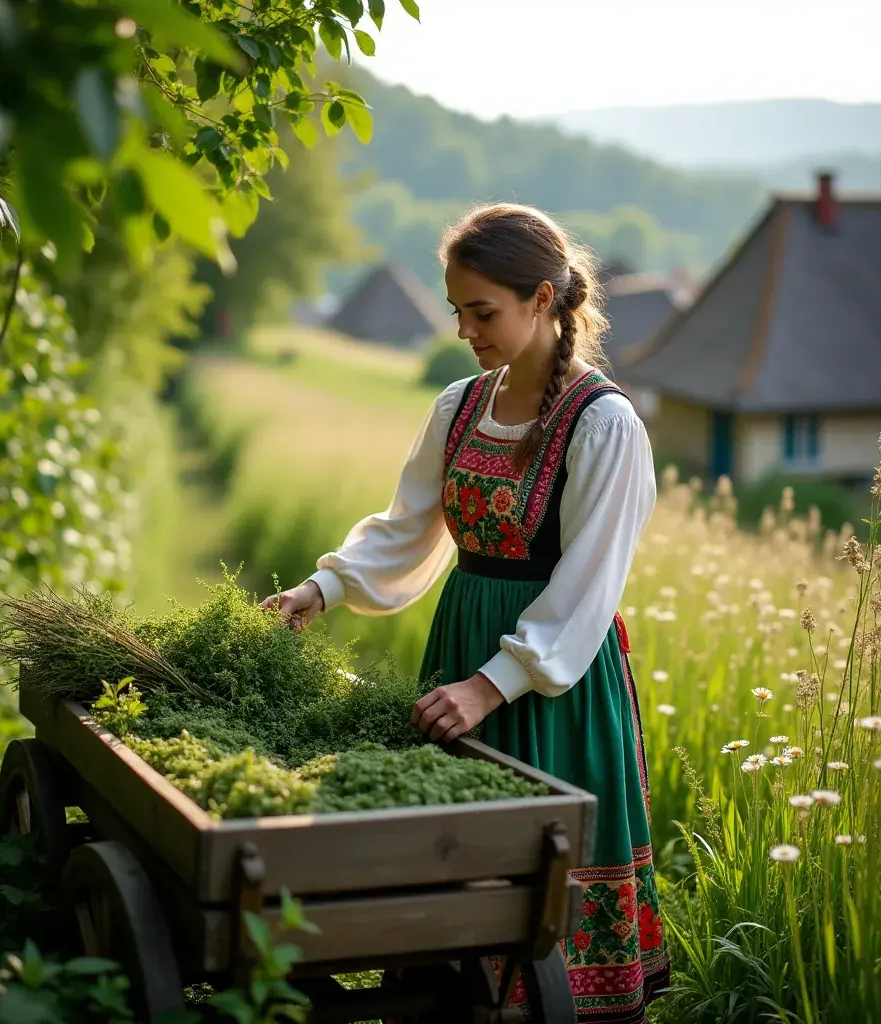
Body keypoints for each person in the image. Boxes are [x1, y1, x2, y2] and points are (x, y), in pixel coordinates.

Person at [262, 203, 670, 1022]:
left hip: (554, 684)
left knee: (539, 884)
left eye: (482, 312)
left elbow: (589, 586)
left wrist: (493, 686)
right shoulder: (459, 405)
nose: (465, 330)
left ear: (544, 300)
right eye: (458, 311)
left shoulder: (604, 424)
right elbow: (406, 527)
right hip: (463, 653)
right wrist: (324, 587)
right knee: (456, 877)